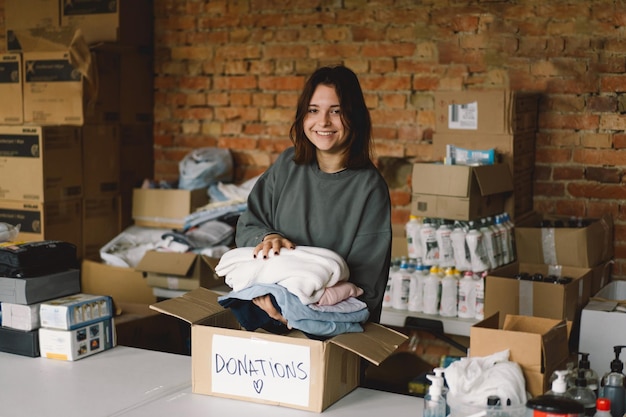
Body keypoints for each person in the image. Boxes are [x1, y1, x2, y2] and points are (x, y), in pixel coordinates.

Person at [235, 65, 392, 325]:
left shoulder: (369, 188)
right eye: (313, 110)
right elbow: (249, 223)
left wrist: (296, 316)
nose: (323, 122)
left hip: (333, 336)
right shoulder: (287, 165)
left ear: (355, 116)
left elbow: (366, 289)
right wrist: (268, 237)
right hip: (264, 320)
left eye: (336, 111)